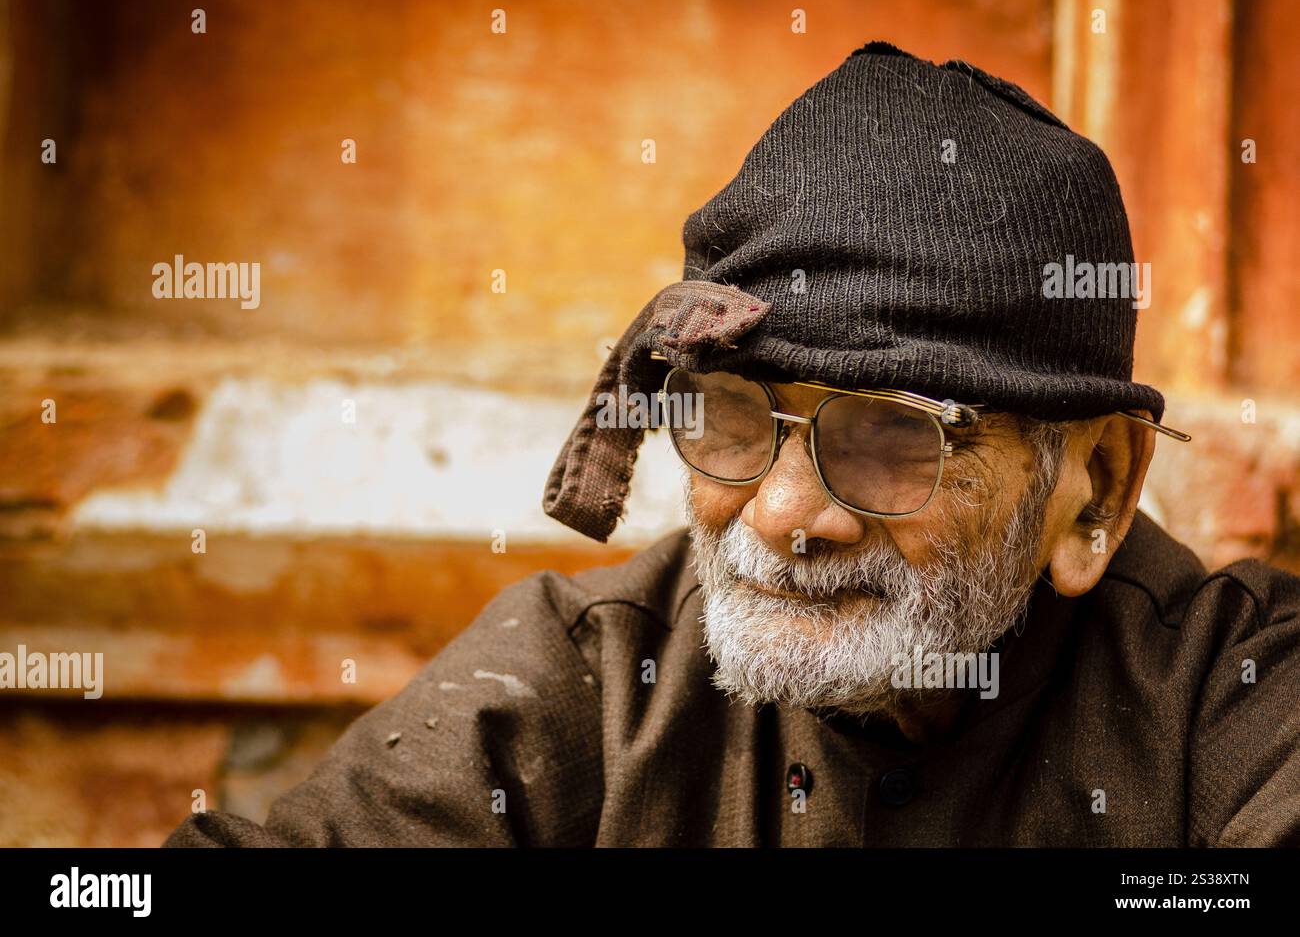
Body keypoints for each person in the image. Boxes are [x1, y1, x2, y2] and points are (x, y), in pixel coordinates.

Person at [165, 41, 1300, 847]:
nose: (781, 514)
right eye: (731, 414)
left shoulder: (1235, 701)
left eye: (894, 436)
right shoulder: (586, 679)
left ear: (1094, 486)